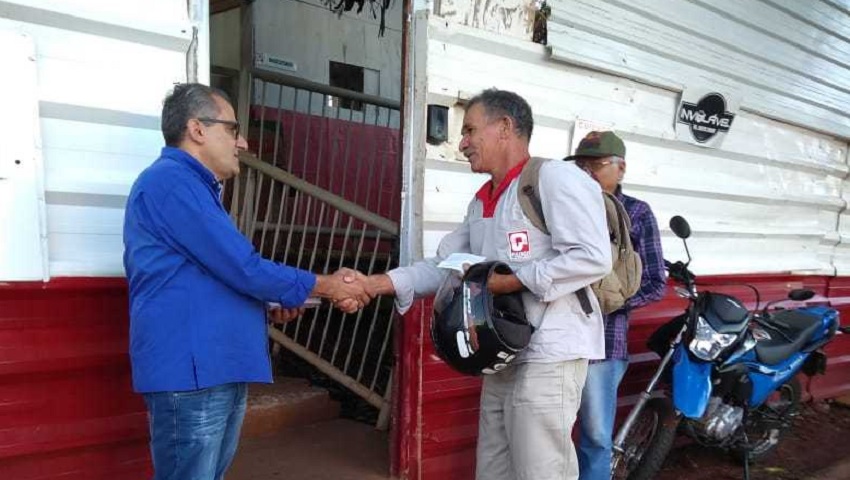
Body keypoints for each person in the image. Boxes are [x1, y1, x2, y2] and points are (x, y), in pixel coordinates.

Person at [123, 83, 371, 480]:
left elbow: (213, 276)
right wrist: (326, 285)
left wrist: (269, 305)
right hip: (192, 370)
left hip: (213, 365)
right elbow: (243, 267)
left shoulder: (197, 190)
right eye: (232, 128)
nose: (242, 142)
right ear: (197, 129)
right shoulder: (171, 182)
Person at [362, 89, 612, 480]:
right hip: (502, 352)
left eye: (470, 130)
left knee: (540, 471)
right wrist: (375, 284)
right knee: (493, 469)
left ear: (505, 128)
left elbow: (592, 257)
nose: (462, 143)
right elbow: (447, 267)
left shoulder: (553, 178)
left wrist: (512, 281)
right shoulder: (482, 202)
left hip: (550, 351)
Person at [566, 131, 666, 480]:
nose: (587, 173)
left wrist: (612, 303)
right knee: (550, 433)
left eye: (597, 165)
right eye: (581, 166)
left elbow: (656, 282)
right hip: (558, 340)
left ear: (620, 169)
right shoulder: (565, 208)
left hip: (605, 346)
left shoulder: (637, 213)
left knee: (594, 436)